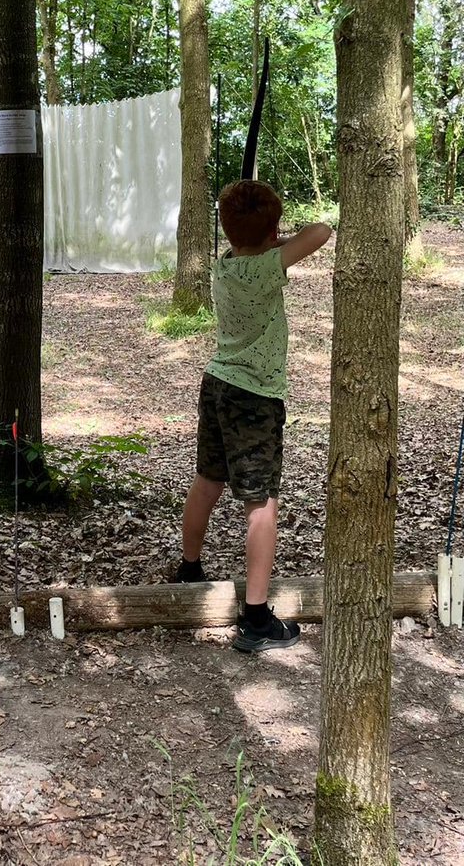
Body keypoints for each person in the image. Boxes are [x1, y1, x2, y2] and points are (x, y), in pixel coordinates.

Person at [174, 180, 332, 653]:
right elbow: (322, 231)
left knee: (208, 480)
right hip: (255, 397)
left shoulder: (225, 265)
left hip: (216, 385)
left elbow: (254, 241)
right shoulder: (267, 267)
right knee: (260, 502)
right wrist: (278, 239)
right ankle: (257, 617)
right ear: (272, 230)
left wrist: (265, 237)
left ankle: (189, 568)